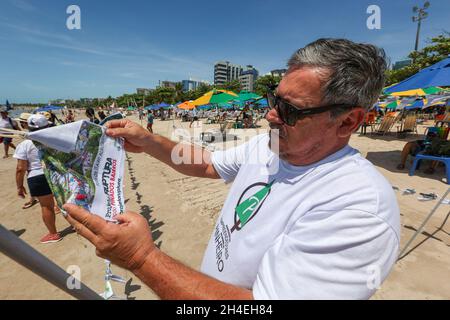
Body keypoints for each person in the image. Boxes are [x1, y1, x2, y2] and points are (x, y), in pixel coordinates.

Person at [64, 38, 400, 300]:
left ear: (348, 121)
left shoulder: (357, 207)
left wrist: (139, 257)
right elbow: (209, 163)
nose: (270, 115)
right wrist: (150, 141)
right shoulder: (270, 144)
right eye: (273, 99)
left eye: (290, 110)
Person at [14, 114, 62, 244]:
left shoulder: (25, 144)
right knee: (64, 202)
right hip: (55, 172)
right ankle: (78, 226)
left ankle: (53, 234)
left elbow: (20, 168)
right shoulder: (54, 139)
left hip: (37, 176)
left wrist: (19, 186)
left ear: (27, 126)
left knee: (47, 206)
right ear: (47, 125)